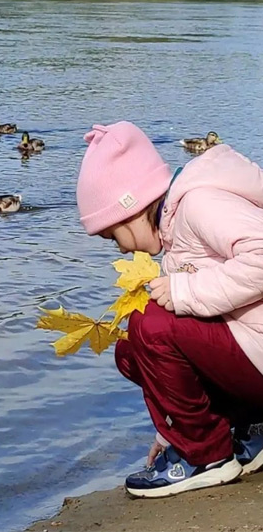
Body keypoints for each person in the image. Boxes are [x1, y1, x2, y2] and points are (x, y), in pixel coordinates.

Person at [77, 121, 263, 498]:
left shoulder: (199, 204)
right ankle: (246, 430)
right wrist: (172, 425)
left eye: (113, 234)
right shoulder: (174, 230)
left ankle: (206, 458)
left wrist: (184, 290)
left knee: (148, 324)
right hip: (250, 350)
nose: (121, 248)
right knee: (131, 349)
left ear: (132, 206)